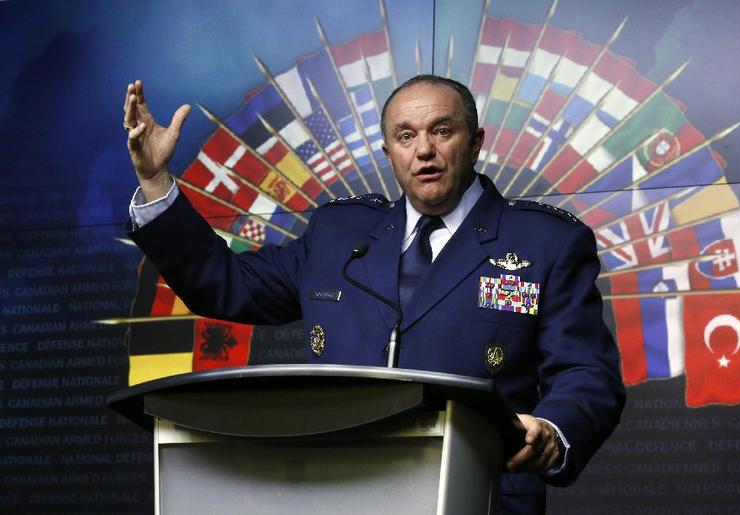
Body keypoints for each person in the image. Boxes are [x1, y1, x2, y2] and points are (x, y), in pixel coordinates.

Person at [123, 75, 625, 514]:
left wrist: (552, 432)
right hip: (341, 492)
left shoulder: (545, 243)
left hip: (481, 494)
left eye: (441, 131)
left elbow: (587, 372)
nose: (423, 150)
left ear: (475, 143)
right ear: (389, 154)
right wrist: (154, 181)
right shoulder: (338, 236)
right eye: (405, 136)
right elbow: (225, 286)